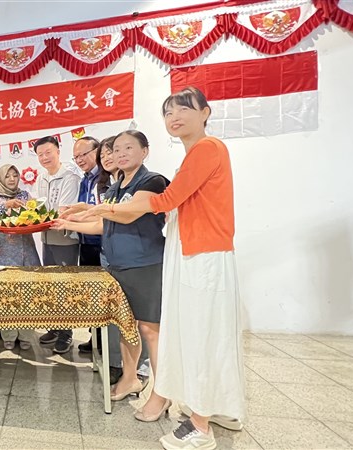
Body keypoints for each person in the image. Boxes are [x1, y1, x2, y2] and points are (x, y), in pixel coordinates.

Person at [82, 87, 245, 450]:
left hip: (202, 255)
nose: (175, 116)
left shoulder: (207, 148)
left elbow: (165, 201)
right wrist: (96, 212)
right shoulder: (195, 155)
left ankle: (200, 427)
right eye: (168, 111)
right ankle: (219, 405)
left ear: (205, 112)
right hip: (193, 251)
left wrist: (101, 210)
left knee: (199, 334)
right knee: (208, 332)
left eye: (184, 108)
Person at [56, 130, 169, 408]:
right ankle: (130, 378)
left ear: (145, 151)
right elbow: (103, 225)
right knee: (124, 325)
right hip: (116, 265)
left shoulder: (152, 181)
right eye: (116, 149)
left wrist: (93, 209)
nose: (120, 154)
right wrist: (67, 224)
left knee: (150, 329)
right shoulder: (116, 187)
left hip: (144, 263)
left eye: (128, 148)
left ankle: (162, 391)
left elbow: (129, 214)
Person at [0, 164, 39, 350]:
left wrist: (34, 209)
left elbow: (37, 211)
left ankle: (26, 335)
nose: (12, 179)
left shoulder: (24, 194)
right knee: (6, 292)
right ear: (1, 178)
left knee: (28, 292)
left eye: (15, 175)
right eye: (8, 176)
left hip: (26, 248)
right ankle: (8, 334)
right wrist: (5, 205)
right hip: (4, 250)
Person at [34, 135, 81, 354]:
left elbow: (63, 210)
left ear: (58, 151)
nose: (44, 157)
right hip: (46, 238)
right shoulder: (41, 177)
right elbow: (39, 208)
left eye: (48, 152)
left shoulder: (69, 176)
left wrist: (39, 218)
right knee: (51, 284)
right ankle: (55, 326)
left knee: (64, 284)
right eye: (40, 154)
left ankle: (66, 332)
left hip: (64, 238)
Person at [70, 136, 102, 354]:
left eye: (84, 154)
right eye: (76, 157)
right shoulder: (85, 179)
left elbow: (98, 212)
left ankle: (105, 343)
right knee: (92, 293)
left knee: (102, 294)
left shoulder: (104, 178)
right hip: (86, 242)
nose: (80, 159)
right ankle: (96, 338)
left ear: (98, 150)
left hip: (102, 243)